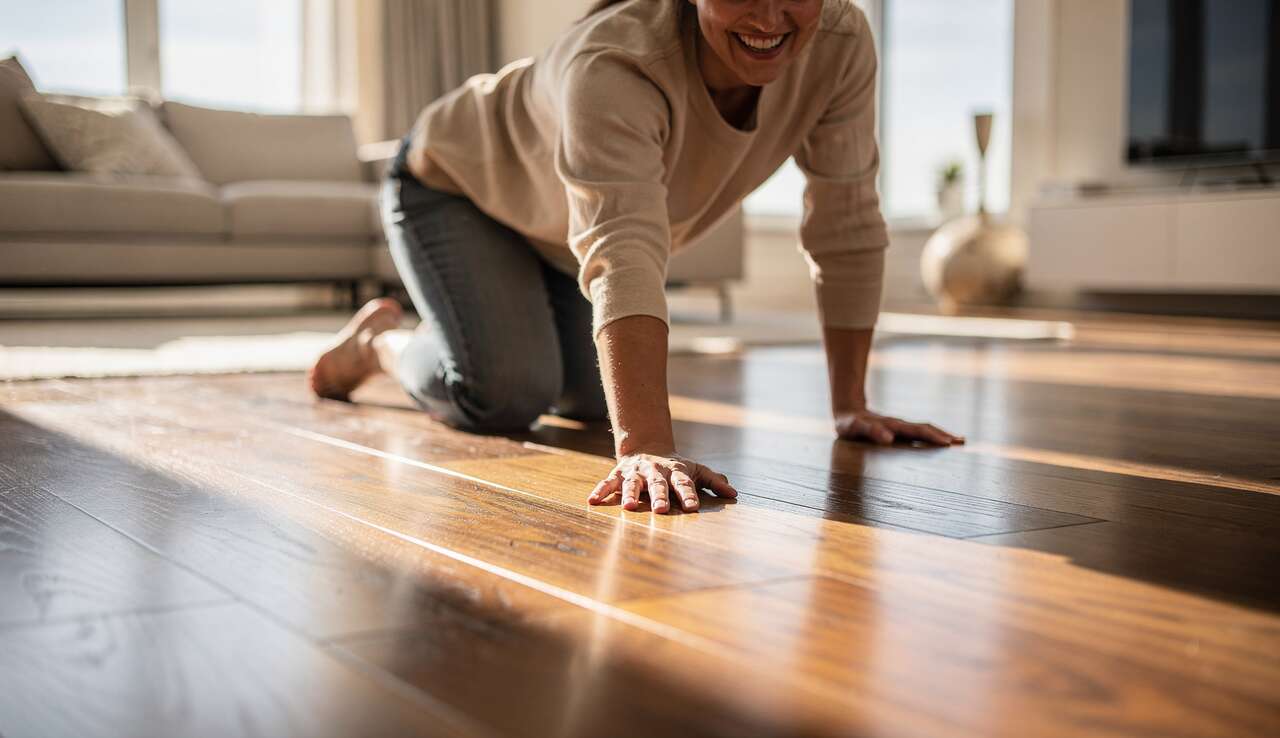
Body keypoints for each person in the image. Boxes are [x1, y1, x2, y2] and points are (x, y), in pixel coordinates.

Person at [308, 0, 964, 516]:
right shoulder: (616, 63)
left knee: (597, 399)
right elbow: (622, 246)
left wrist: (850, 403)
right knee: (506, 395)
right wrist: (644, 447)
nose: (769, 18)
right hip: (456, 185)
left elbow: (845, 219)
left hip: (560, 228)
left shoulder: (841, 44)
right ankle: (381, 344)